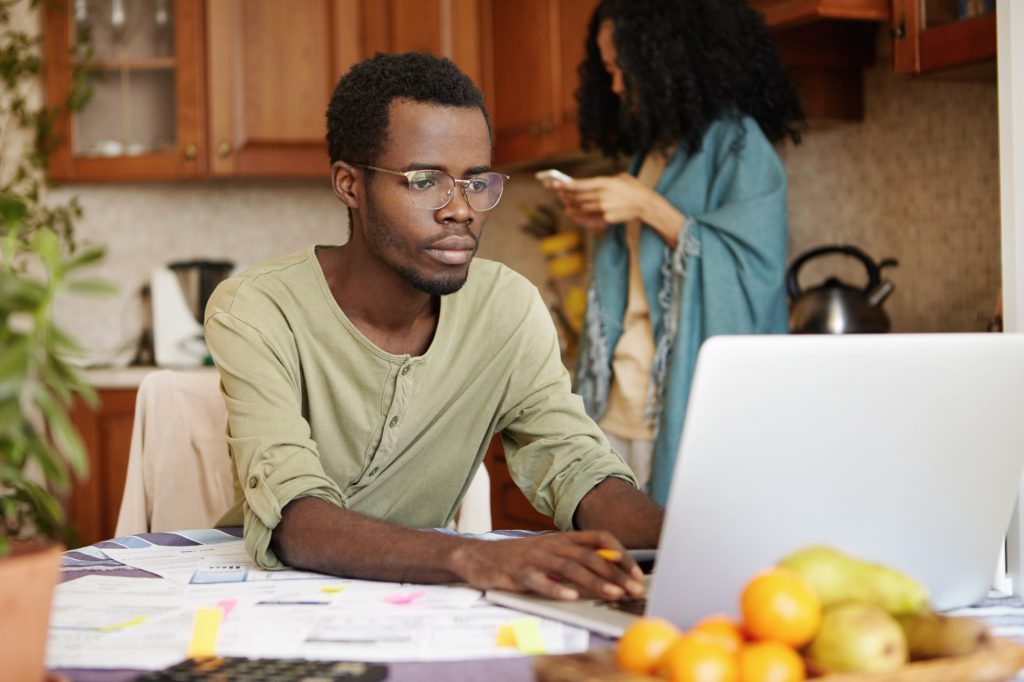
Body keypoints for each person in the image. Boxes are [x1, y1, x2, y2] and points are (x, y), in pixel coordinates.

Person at [204, 52, 664, 602]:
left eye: (476, 183)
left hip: (416, 602)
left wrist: (697, 542)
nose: (461, 210)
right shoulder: (256, 308)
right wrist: (475, 557)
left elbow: (577, 465)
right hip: (261, 597)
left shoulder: (506, 308)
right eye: (425, 181)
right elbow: (294, 519)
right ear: (349, 185)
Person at [547, 0, 805, 504]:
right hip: (619, 400)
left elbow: (755, 269)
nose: (617, 84)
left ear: (665, 59)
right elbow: (657, 261)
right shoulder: (655, 151)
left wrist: (644, 204)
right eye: (608, 71)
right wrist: (610, 221)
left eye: (623, 66)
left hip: (678, 407)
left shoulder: (737, 144)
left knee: (669, 565)